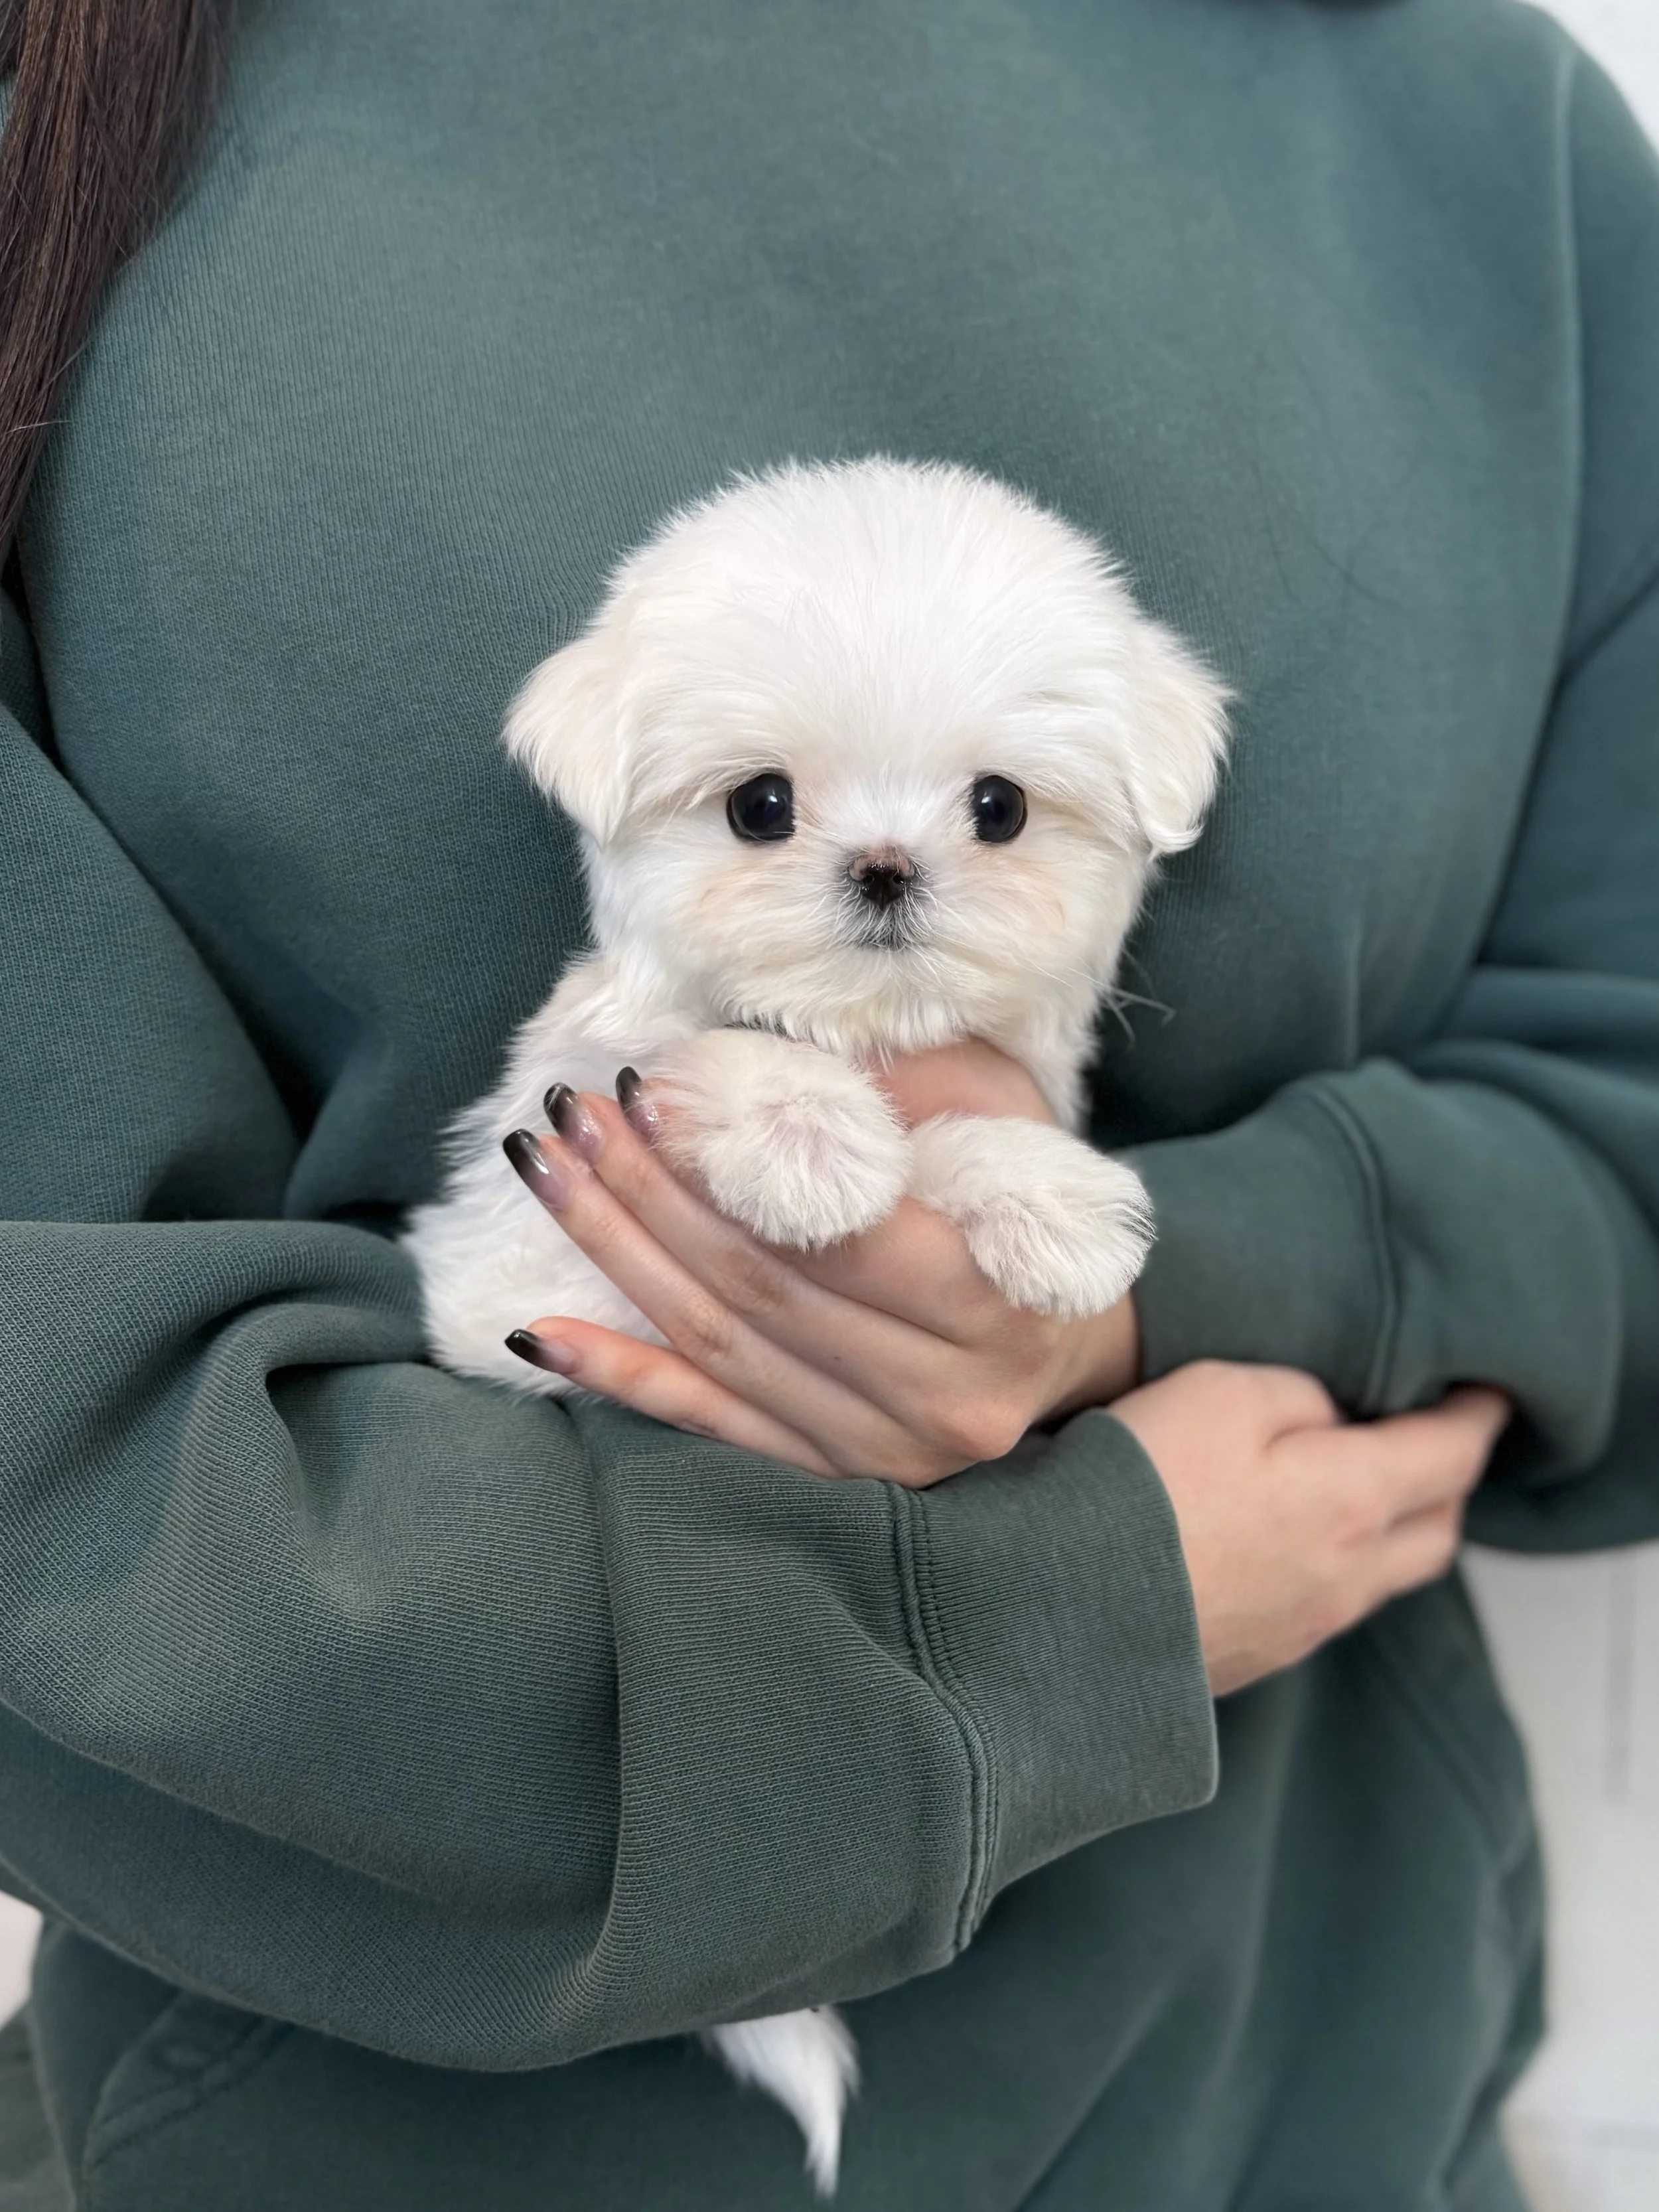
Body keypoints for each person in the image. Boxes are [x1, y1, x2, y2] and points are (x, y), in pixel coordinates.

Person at [1, 0, 1654, 2205]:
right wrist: (1063, 1615)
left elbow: (1622, 1117)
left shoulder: (1486, 136)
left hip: (1319, 2110)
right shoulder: (84, 121)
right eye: (773, 801)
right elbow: (61, 1464)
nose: (884, 868)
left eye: (985, 802)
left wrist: (1162, 1283)